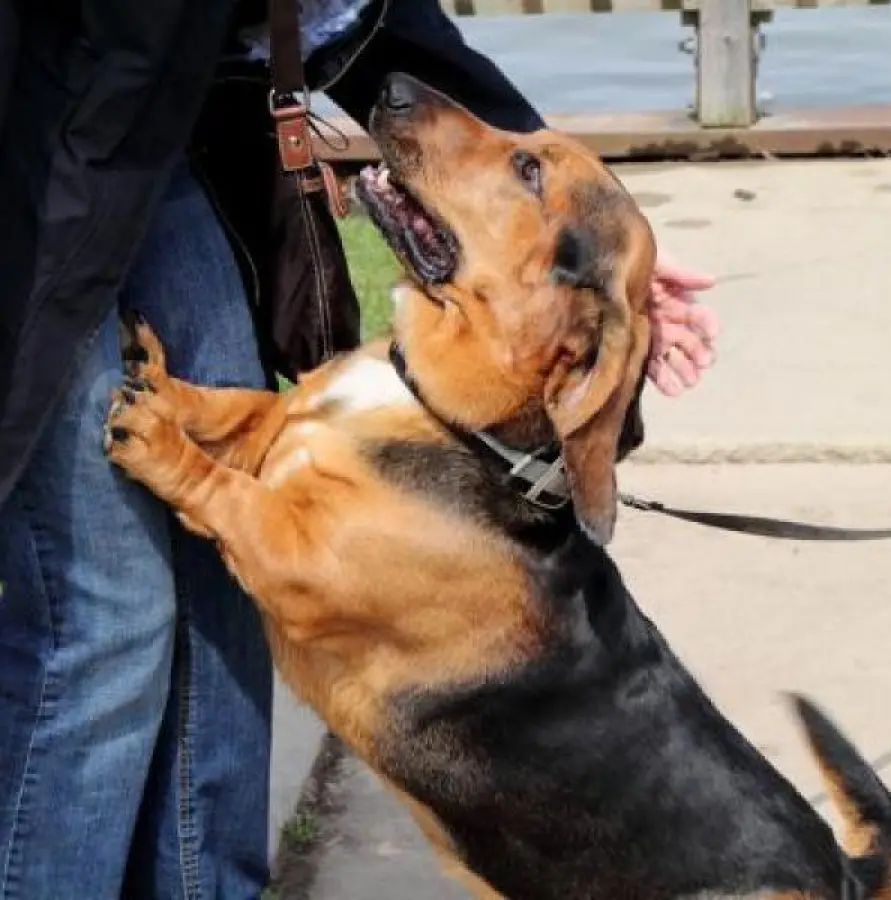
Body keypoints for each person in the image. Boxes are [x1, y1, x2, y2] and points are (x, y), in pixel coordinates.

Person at [0, 0, 716, 897]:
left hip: (152, 131)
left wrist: (618, 257)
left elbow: (357, 16)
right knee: (107, 614)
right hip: (30, 139)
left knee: (221, 561)